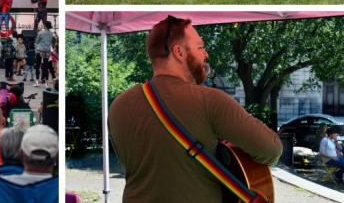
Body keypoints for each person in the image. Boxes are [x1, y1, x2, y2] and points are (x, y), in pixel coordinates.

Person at [109, 16, 283, 201]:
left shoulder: (118, 106)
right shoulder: (209, 100)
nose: (205, 54)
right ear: (179, 52)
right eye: (200, 47)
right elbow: (272, 149)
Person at [35, 21, 55, 86]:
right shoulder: (51, 33)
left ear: (45, 26)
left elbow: (37, 41)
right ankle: (46, 83)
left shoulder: (40, 33)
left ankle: (37, 82)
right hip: (47, 51)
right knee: (46, 67)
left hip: (40, 50)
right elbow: (51, 42)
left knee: (37, 66)